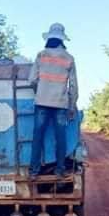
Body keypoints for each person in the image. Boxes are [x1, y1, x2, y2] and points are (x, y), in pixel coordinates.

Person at [28, 23, 78, 180]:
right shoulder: (69, 58)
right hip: (60, 104)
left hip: (41, 102)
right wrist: (72, 106)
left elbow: (32, 80)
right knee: (60, 138)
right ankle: (59, 170)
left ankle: (33, 171)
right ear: (62, 40)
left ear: (49, 38)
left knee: (37, 137)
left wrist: (39, 92)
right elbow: (73, 86)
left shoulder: (41, 55)